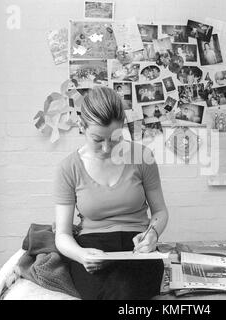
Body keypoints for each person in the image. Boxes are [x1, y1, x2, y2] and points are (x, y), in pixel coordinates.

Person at [54, 87, 169, 300]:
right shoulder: (68, 168)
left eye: (115, 138)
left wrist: (152, 234)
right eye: (98, 139)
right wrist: (80, 255)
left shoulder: (143, 156)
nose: (107, 148)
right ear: (82, 127)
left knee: (129, 290)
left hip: (137, 247)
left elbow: (160, 211)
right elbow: (62, 235)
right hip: (92, 250)